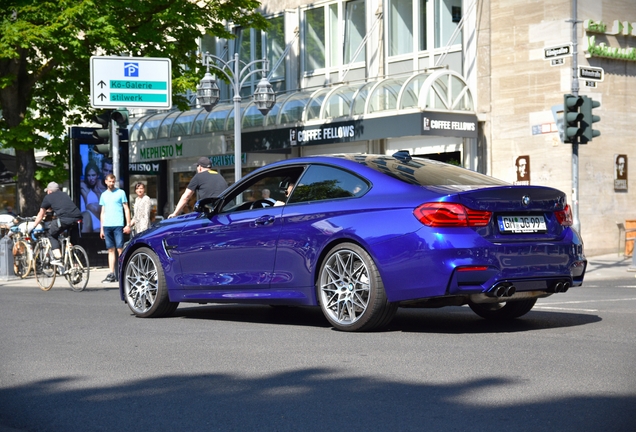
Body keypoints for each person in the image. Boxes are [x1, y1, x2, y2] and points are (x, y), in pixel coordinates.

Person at [31, 182, 83, 272]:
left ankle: (58, 258)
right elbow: (59, 206)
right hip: (77, 218)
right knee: (73, 242)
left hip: (64, 219)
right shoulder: (64, 194)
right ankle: (76, 266)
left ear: (49, 191)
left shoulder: (48, 197)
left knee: (51, 234)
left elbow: (41, 214)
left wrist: (33, 226)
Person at [99, 174, 131, 283]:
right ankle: (111, 273)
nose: (111, 183)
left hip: (118, 224)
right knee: (110, 249)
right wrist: (101, 228)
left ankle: (122, 272)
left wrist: (128, 224)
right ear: (106, 182)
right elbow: (102, 212)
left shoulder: (121, 193)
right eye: (110, 181)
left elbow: (126, 209)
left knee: (120, 249)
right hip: (107, 225)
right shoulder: (103, 195)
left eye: (113, 181)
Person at [80, 162, 103, 232]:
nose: (91, 178)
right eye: (88, 175)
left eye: (93, 175)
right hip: (87, 218)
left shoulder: (100, 188)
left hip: (99, 220)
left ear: (97, 175)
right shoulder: (83, 187)